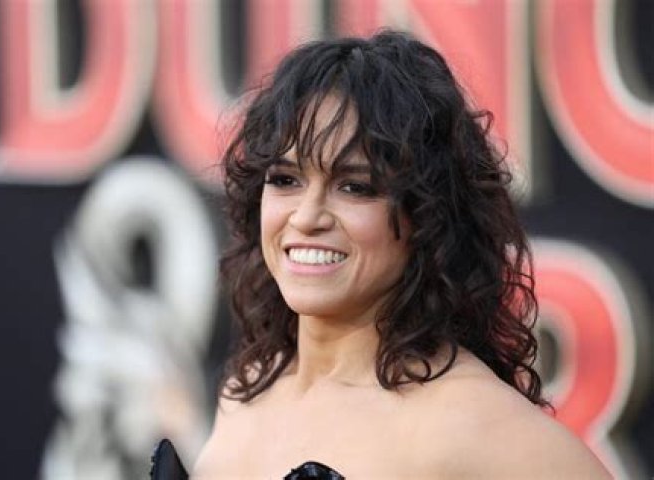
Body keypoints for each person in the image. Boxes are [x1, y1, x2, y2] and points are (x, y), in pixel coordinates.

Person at [190, 30, 611, 479]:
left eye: (355, 187)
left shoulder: (468, 422)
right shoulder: (247, 389)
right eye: (285, 180)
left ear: (426, 215)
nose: (307, 217)